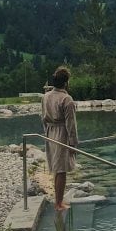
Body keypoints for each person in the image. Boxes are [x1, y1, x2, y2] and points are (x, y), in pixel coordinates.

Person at [41, 65, 78, 211]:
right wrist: (73, 144)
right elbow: (71, 124)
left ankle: (58, 201)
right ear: (66, 82)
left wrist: (47, 133)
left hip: (50, 132)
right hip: (62, 133)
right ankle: (58, 203)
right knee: (61, 170)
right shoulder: (66, 99)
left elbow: (43, 118)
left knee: (57, 168)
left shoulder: (46, 96)